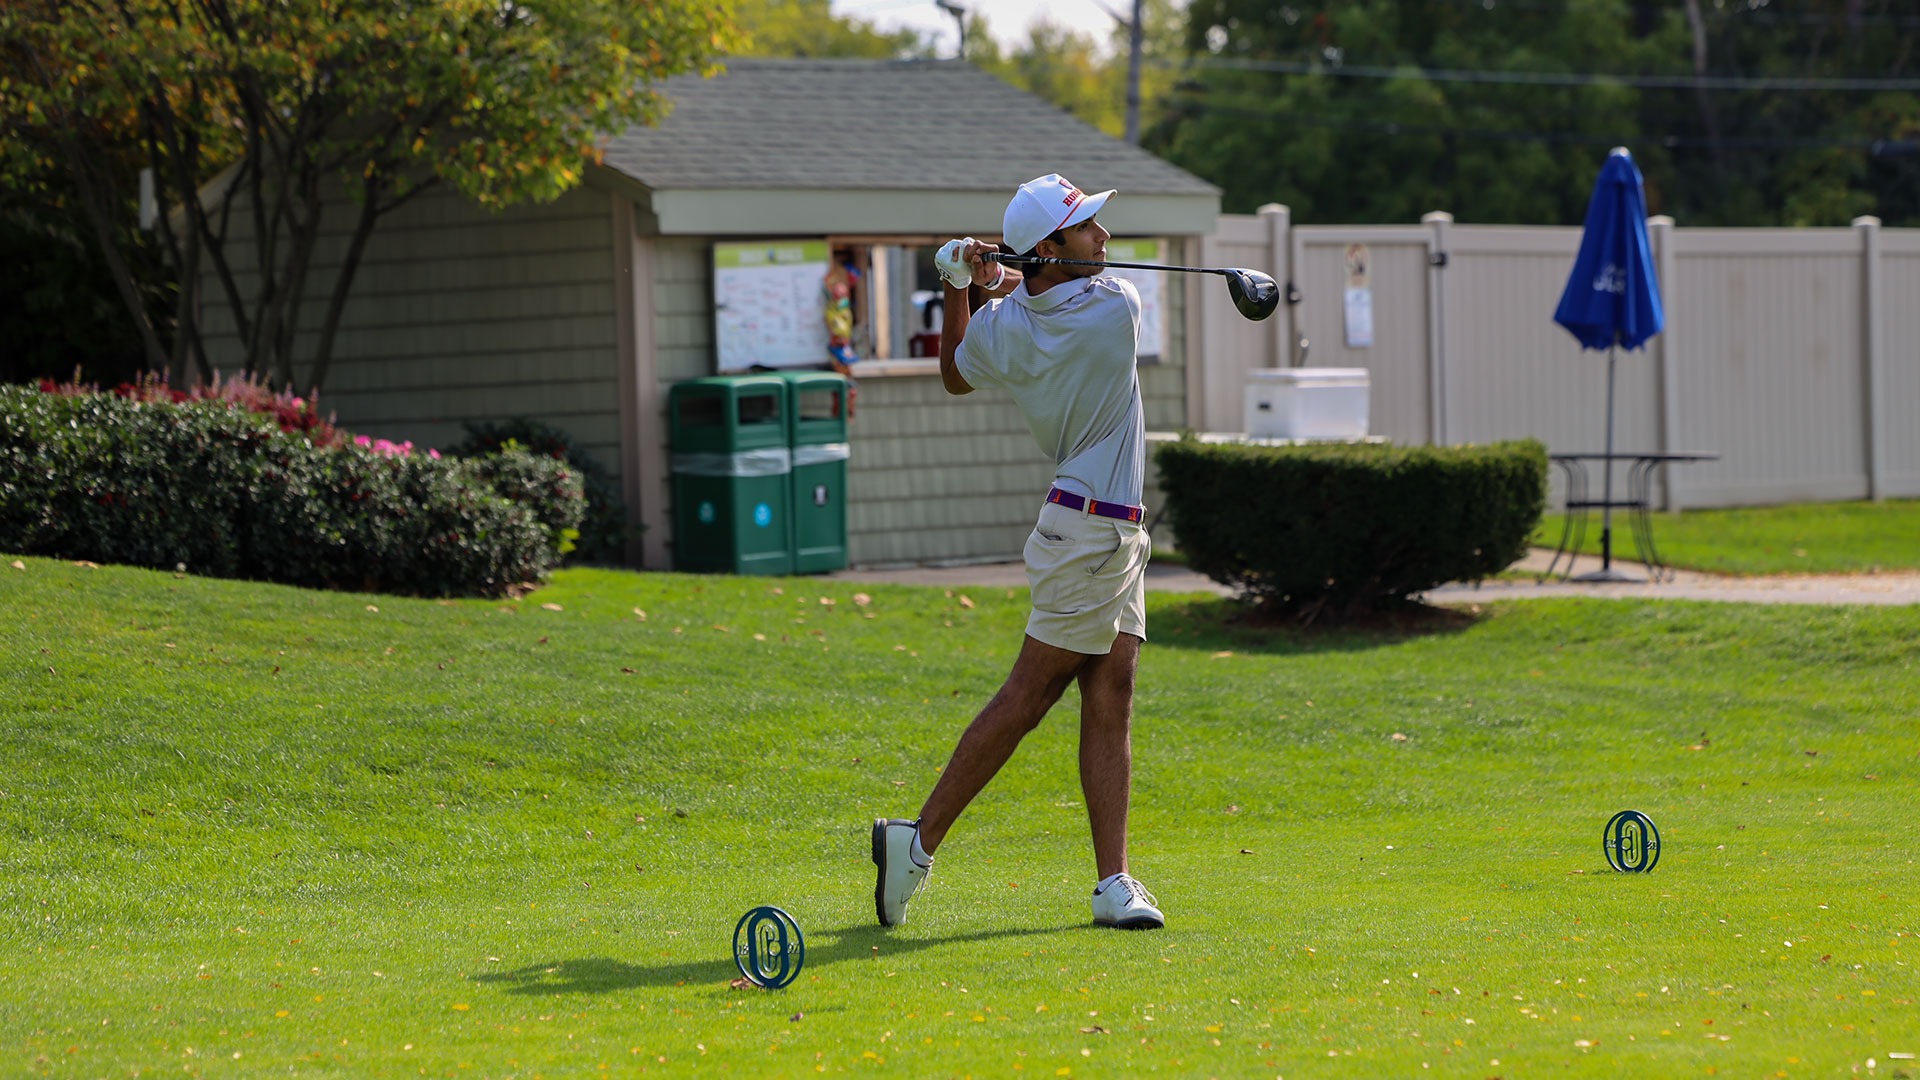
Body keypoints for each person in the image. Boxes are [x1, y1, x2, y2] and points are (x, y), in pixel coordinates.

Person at [871, 174, 1163, 931]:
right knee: (1028, 698)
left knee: (1112, 693)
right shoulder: (1114, 311)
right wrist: (993, 276)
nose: (1103, 236)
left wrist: (961, 286)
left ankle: (1113, 882)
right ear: (1051, 249)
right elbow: (1035, 298)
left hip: (1105, 530)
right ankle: (917, 841)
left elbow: (956, 371)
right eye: (1086, 228)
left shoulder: (1006, 327)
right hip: (1091, 532)